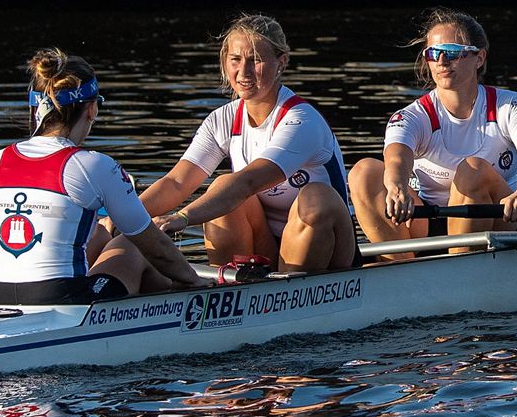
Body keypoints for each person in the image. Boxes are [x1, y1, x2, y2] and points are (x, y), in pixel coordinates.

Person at [0, 48, 202, 306]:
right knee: (132, 245)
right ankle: (173, 314)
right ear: (92, 109)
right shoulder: (94, 164)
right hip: (61, 299)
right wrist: (195, 280)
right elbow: (155, 247)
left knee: (97, 235)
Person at [138, 14, 356, 274]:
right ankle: (230, 290)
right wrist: (120, 218)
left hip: (331, 252)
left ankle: (292, 291)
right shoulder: (222, 120)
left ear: (281, 63)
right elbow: (176, 183)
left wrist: (183, 218)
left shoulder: (302, 120)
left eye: (256, 60)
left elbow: (248, 182)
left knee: (314, 197)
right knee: (222, 190)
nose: (244, 72)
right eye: (236, 60)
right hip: (267, 247)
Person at [347, 9, 517, 247]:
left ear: (479, 58)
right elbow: (397, 159)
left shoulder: (509, 104)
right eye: (433, 53)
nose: (442, 62)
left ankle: (458, 263)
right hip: (430, 220)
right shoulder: (413, 116)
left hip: (502, 218)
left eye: (452, 53)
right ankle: (399, 265)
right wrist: (397, 186)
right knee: (363, 171)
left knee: (473, 169)